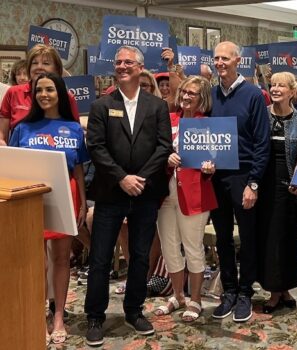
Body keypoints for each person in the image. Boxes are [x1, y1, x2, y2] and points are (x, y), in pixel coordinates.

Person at [84, 45, 172, 347]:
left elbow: (163, 146)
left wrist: (141, 179)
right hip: (110, 192)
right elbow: (96, 147)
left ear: (139, 67)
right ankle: (95, 315)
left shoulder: (156, 106)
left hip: (146, 193)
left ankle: (134, 310)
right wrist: (122, 178)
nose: (122, 66)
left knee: (139, 256)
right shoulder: (101, 105)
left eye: (128, 62)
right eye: (118, 62)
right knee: (100, 257)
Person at [9, 72, 88, 345]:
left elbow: (78, 169)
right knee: (36, 263)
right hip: (32, 198)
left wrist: (82, 203)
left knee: (62, 259)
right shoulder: (22, 128)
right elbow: (14, 167)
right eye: (39, 90)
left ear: (60, 94)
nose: (44, 95)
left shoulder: (74, 128)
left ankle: (58, 318)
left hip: (66, 194)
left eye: (50, 90)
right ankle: (37, 316)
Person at [209, 41, 270, 323]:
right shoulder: (212, 95)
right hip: (217, 176)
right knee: (222, 238)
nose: (220, 63)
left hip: (244, 176)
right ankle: (229, 291)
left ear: (237, 61)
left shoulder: (254, 95)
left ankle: (246, 291)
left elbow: (262, 143)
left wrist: (254, 183)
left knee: (247, 238)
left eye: (225, 58)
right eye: (216, 58)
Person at [153, 76, 217, 322]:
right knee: (169, 248)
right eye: (185, 92)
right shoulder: (169, 120)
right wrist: (166, 157)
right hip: (165, 193)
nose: (187, 97)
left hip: (194, 193)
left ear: (203, 98)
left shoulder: (209, 125)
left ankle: (196, 299)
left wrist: (211, 167)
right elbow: (156, 149)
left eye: (193, 93)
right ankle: (178, 295)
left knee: (193, 247)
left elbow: (216, 156)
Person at [256, 71, 297, 314]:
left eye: (281, 86)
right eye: (273, 85)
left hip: (292, 186)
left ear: (292, 91)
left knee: (290, 238)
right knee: (270, 238)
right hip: (265, 186)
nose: (275, 89)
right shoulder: (261, 115)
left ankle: (286, 287)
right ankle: (274, 291)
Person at [0, 44, 79, 145]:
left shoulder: (68, 97)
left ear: (56, 69)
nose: (39, 67)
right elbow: (2, 134)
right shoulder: (13, 92)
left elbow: (74, 132)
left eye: (46, 63)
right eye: (34, 63)